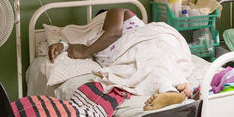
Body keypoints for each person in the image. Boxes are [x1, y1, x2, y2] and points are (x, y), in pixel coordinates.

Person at [47, 8, 192, 110]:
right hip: (126, 54)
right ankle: (171, 89)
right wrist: (63, 46)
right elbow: (77, 47)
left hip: (148, 40)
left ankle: (169, 89)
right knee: (145, 63)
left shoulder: (118, 12)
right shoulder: (95, 39)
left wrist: (86, 52)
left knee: (151, 55)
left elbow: (114, 33)